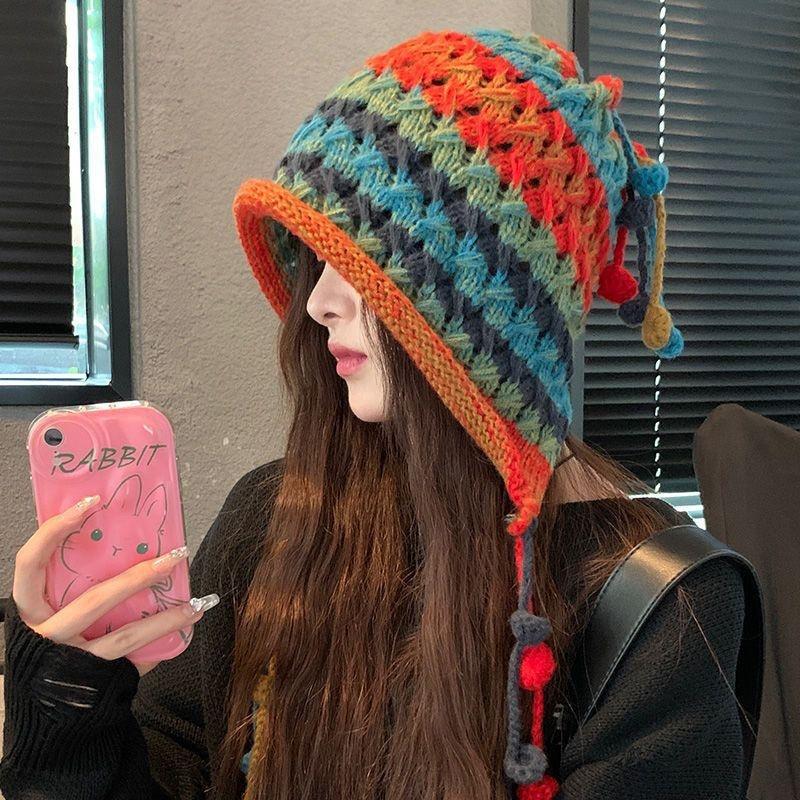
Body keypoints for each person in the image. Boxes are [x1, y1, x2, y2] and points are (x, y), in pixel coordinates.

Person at [0, 27, 747, 800]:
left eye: (362, 265)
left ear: (482, 303)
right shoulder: (276, 517)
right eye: (316, 257)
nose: (318, 302)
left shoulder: (657, 607)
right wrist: (66, 706)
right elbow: (174, 765)